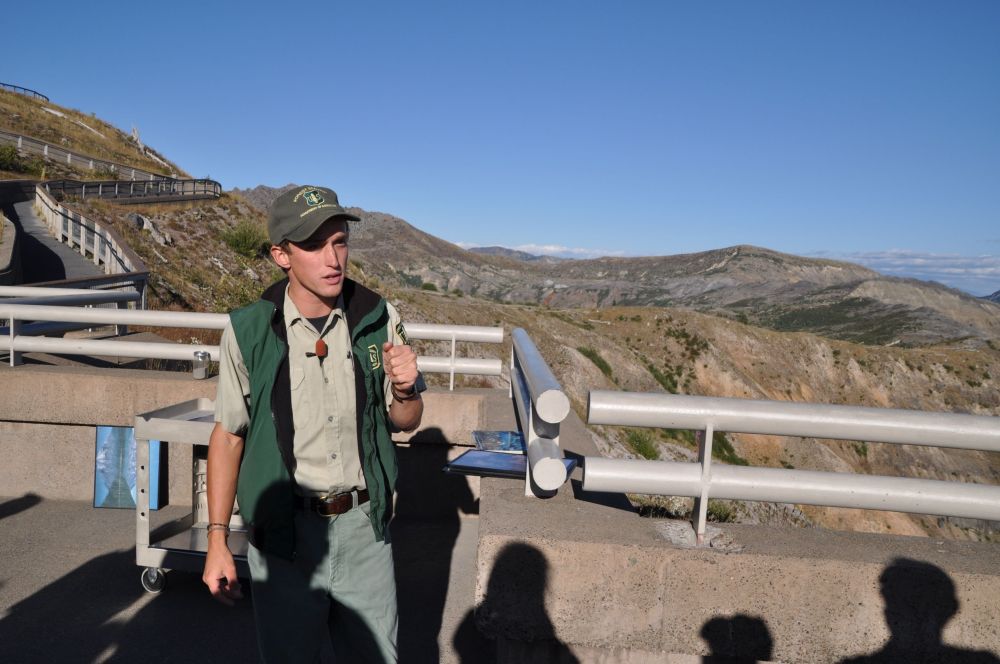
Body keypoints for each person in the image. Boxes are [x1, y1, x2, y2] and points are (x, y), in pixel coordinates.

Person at [202, 185, 424, 663]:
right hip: (285, 541)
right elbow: (228, 436)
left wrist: (405, 390)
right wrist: (217, 540)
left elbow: (404, 422)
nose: (333, 258)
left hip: (365, 531)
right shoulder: (248, 330)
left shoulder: (378, 319)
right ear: (281, 254)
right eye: (314, 244)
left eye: (340, 241)